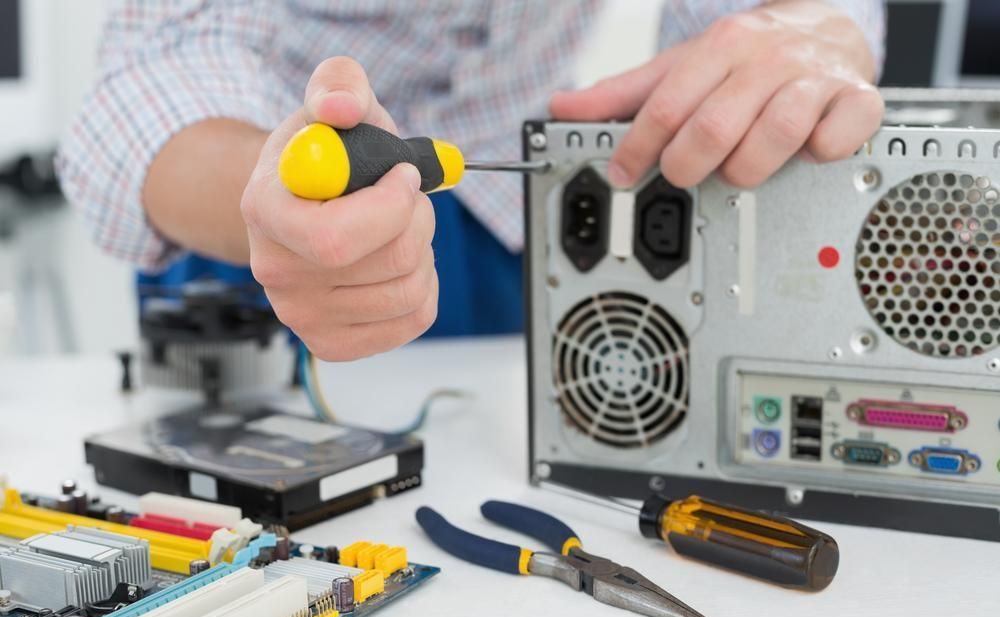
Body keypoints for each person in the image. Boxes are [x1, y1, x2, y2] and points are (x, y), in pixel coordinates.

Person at [58, 0, 884, 361]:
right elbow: (156, 69)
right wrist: (274, 204)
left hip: (518, 230)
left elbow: (743, 29)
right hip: (258, 223)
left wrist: (813, 19)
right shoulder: (273, 213)